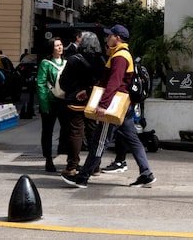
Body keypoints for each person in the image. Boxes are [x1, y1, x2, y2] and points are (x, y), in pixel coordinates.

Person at [62, 24, 155, 189]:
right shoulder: (122, 54)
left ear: (117, 38)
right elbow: (107, 82)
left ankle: (83, 177)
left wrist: (103, 105)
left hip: (113, 105)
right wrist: (89, 92)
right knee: (133, 140)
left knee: (100, 141)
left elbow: (114, 82)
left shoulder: (120, 56)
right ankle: (146, 174)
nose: (107, 38)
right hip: (122, 105)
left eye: (110, 35)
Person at [59, 30, 104, 176]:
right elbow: (102, 81)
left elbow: (63, 82)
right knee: (93, 132)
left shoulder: (73, 59)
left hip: (74, 101)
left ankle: (72, 166)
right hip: (93, 101)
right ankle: (95, 166)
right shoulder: (100, 60)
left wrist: (72, 90)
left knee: (75, 133)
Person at [36, 37, 66, 171]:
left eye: (61, 44)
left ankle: (67, 157)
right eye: (56, 45)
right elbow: (41, 84)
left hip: (64, 101)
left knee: (67, 130)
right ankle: (48, 159)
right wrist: (44, 105)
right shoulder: (46, 63)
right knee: (48, 131)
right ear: (51, 48)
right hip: (50, 101)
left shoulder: (66, 62)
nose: (60, 47)